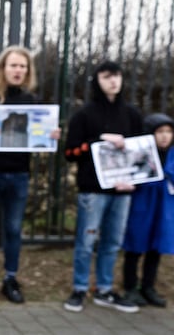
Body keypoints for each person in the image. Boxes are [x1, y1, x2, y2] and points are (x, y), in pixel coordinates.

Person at [0, 46, 60, 304]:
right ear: (3, 68)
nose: (18, 70)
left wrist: (50, 137)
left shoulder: (34, 103)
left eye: (23, 66)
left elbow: (39, 141)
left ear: (28, 71)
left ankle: (11, 279)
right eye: (14, 65)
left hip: (19, 174)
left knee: (13, 228)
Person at [63, 60, 143, 313]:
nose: (113, 81)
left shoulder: (132, 114)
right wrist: (98, 141)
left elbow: (142, 152)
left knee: (112, 242)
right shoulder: (84, 115)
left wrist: (134, 181)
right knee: (86, 242)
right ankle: (79, 288)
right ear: (97, 80)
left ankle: (105, 289)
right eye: (107, 76)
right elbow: (70, 152)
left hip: (122, 191)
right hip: (93, 191)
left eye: (117, 76)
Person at [121, 112, 173, 308]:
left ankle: (148, 287)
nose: (165, 136)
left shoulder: (172, 155)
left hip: (163, 206)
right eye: (160, 131)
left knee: (155, 247)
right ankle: (130, 287)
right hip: (142, 204)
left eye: (169, 131)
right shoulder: (140, 153)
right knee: (135, 246)